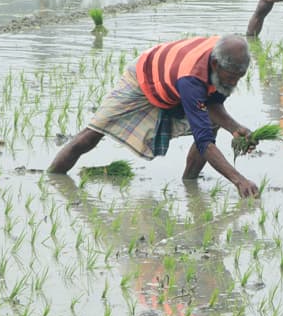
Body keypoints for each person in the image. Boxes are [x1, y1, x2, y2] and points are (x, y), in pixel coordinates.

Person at [48, 35, 260, 198]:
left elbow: (213, 104)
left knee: (211, 125)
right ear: (215, 64)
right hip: (143, 77)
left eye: (239, 78)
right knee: (94, 132)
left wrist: (234, 127)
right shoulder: (191, 79)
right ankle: (52, 178)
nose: (233, 83)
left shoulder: (225, 57)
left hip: (172, 82)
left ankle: (189, 185)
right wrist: (239, 180)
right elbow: (204, 142)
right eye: (231, 77)